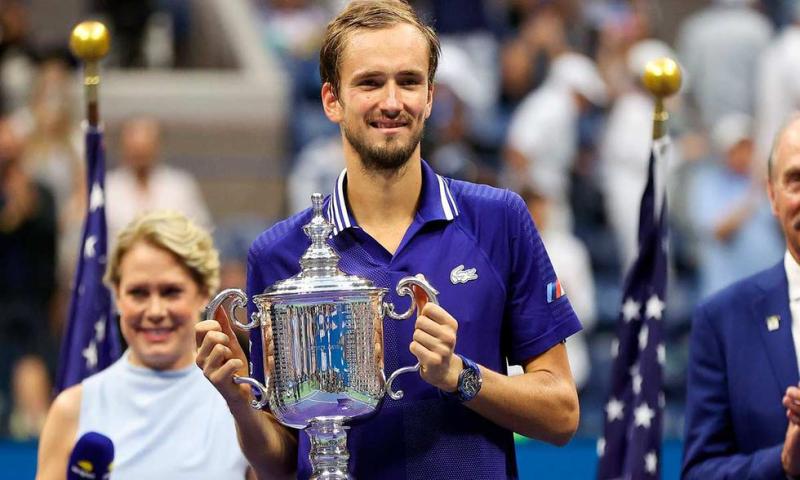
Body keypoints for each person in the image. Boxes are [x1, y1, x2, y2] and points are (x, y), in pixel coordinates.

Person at [195, 1, 582, 479]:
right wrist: (239, 403)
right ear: (331, 100)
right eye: (370, 83)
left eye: (409, 81)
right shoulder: (279, 254)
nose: (393, 102)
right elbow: (280, 464)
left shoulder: (499, 220)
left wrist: (460, 375)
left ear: (430, 96)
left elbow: (562, 414)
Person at [36, 211, 252, 479]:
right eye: (138, 293)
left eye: (171, 292)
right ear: (117, 295)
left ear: (204, 293)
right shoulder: (72, 409)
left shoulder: (240, 400)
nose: (155, 311)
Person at [682, 114, 800, 478]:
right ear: (772, 196)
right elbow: (700, 472)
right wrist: (781, 462)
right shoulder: (723, 320)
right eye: (796, 180)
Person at [105, 116, 212, 241]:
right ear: (123, 146)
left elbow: (202, 231)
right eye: (135, 149)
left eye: (145, 148)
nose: (140, 154)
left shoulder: (180, 186)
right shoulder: (106, 187)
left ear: (157, 146)